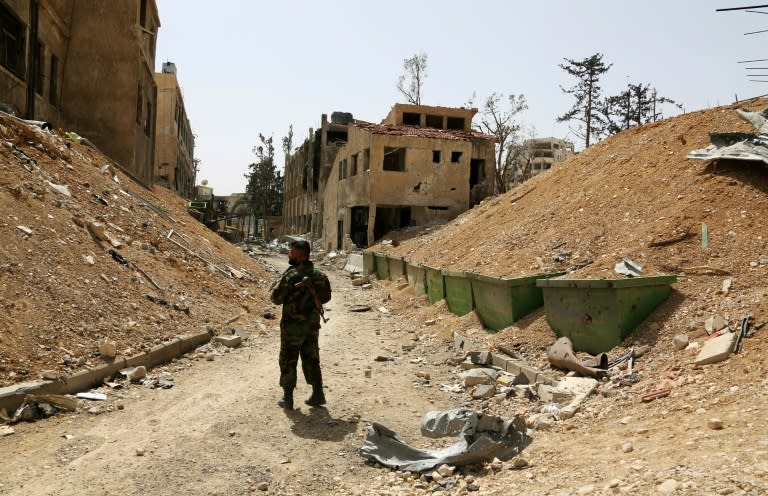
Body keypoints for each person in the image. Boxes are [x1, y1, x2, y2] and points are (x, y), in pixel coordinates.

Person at [270, 240, 332, 410]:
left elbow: (276, 299)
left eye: (291, 251)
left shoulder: (290, 276)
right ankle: (318, 394)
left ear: (300, 254)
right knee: (312, 358)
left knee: (288, 359)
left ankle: (288, 398)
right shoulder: (320, 275)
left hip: (292, 328)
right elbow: (326, 297)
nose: (289, 254)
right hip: (311, 327)